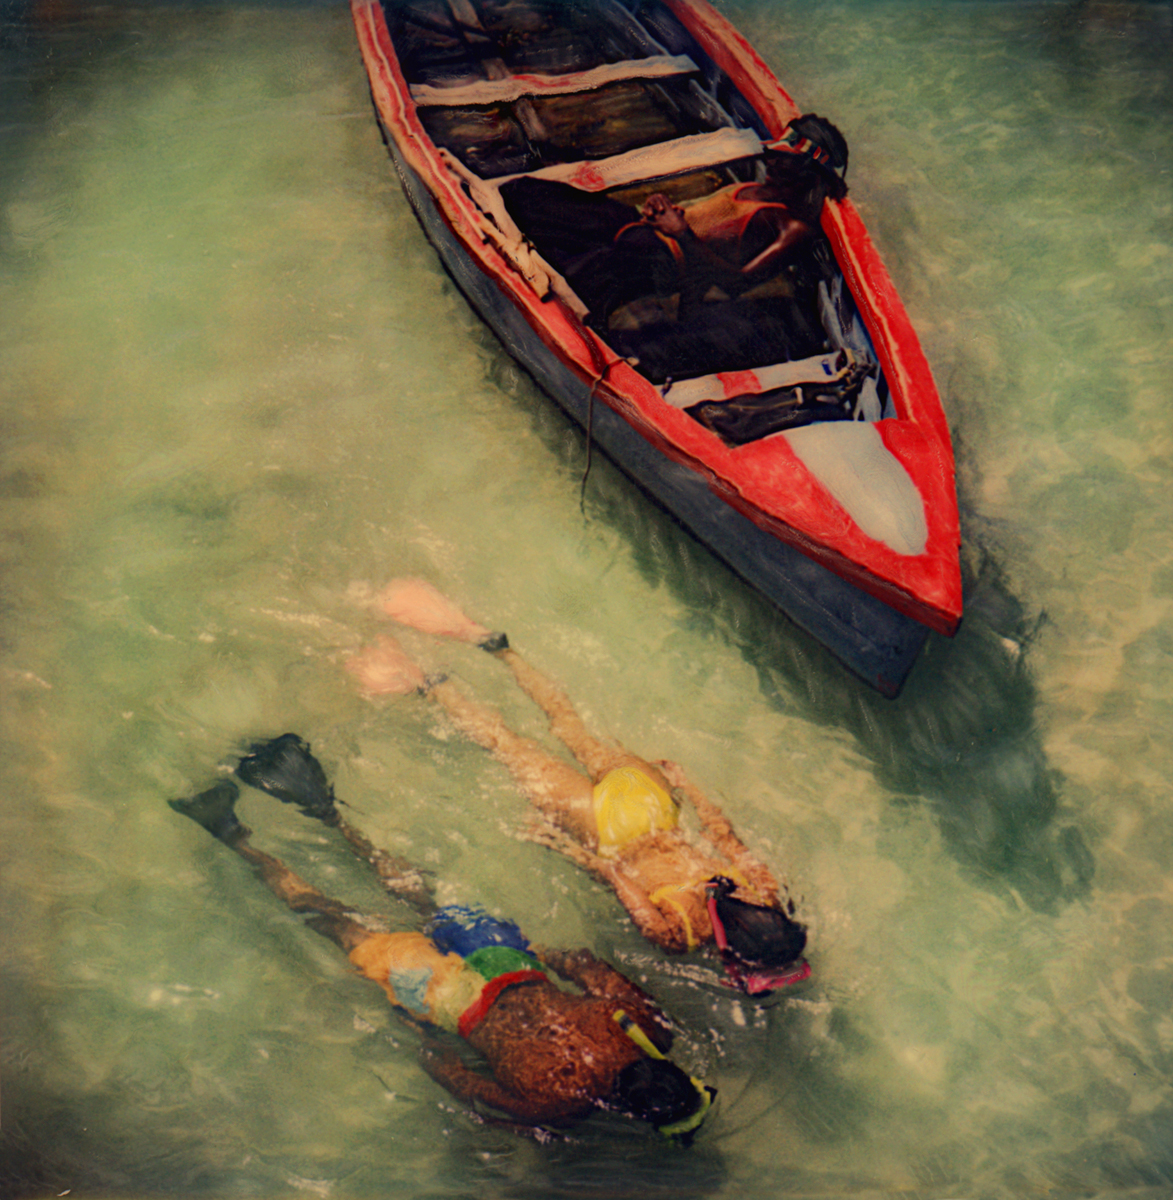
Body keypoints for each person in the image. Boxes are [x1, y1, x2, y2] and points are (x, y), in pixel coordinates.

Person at [170, 734, 714, 1138]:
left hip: (505, 959)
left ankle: (327, 812)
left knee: (417, 890)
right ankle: (230, 834)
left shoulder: (642, 1025)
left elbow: (581, 962)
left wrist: (533, 952)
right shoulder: (554, 1103)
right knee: (336, 922)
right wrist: (420, 1035)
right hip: (446, 997)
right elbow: (454, 1077)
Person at [347, 579, 810, 997]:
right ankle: (423, 679)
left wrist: (685, 784)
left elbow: (721, 829)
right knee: (505, 743)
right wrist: (557, 842)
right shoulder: (677, 936)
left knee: (568, 723)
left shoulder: (764, 890)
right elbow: (610, 873)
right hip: (605, 825)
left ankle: (497, 647)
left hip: (651, 800)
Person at [497, 113, 849, 380]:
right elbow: (703, 216)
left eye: (783, 161)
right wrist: (663, 209)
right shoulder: (759, 190)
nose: (770, 161)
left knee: (569, 281)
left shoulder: (792, 227)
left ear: (805, 172)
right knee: (525, 193)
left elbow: (734, 284)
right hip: (642, 228)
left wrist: (681, 234)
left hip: (658, 259)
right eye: (774, 155)